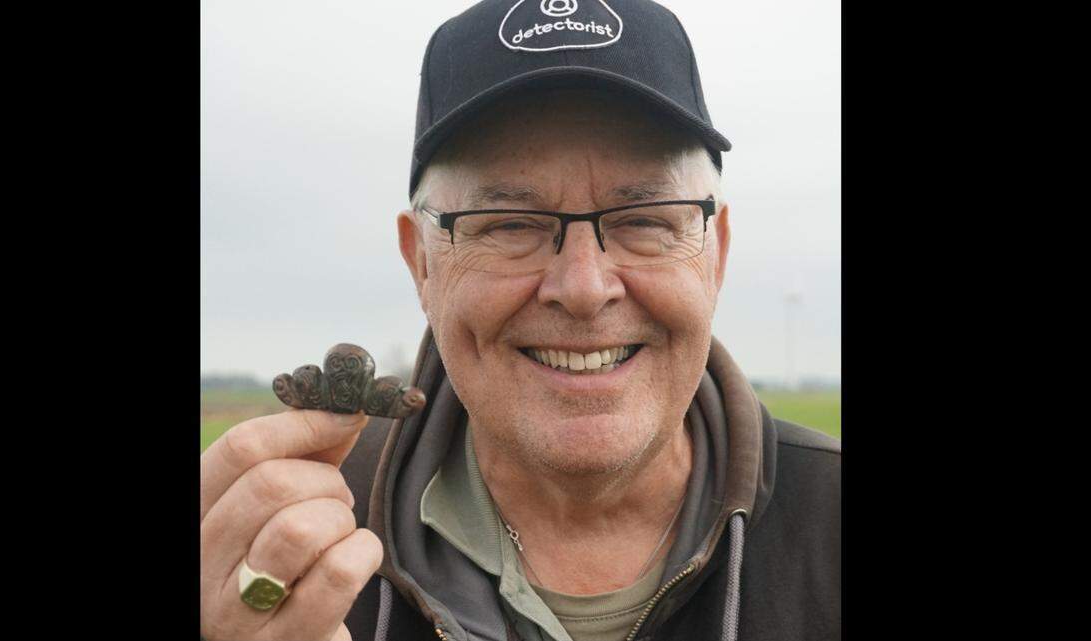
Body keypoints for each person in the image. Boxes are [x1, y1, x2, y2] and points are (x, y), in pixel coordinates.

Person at [200, 1, 840, 640]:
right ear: (422, 263)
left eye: (644, 220)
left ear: (715, 252)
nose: (584, 289)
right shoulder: (282, 544)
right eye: (510, 224)